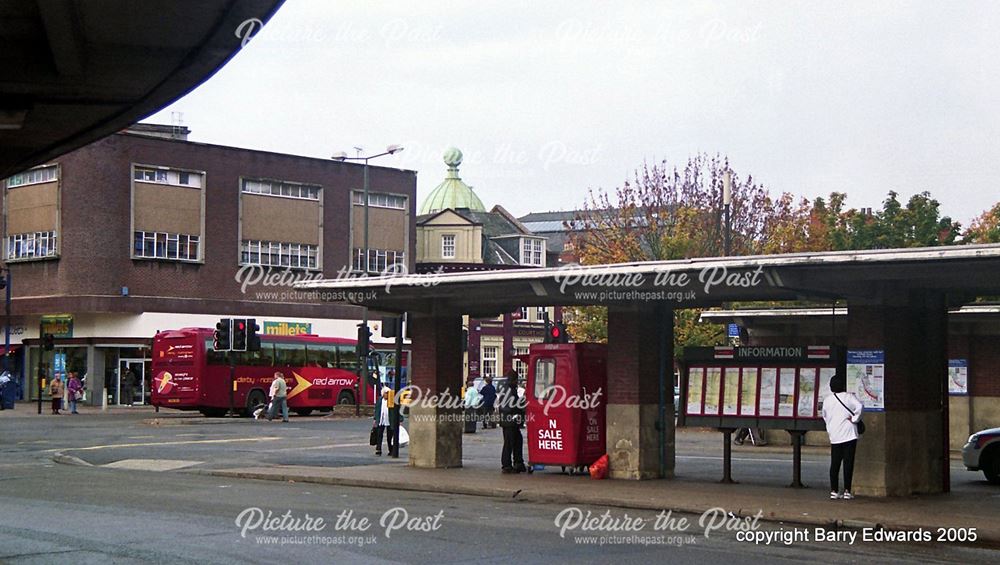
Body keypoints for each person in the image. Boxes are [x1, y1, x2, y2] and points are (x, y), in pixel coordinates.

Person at [822, 373, 863, 500]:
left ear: (831, 387)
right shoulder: (849, 397)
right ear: (843, 386)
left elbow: (824, 416)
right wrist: (855, 419)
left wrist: (830, 427)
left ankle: (834, 490)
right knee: (848, 462)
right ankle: (847, 491)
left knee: (835, 463)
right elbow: (860, 406)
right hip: (849, 434)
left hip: (835, 434)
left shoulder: (827, 400)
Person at [498, 375, 526, 473]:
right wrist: (521, 406)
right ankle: (507, 465)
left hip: (508, 420)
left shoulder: (508, 389)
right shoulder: (509, 390)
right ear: (512, 380)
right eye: (516, 380)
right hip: (510, 420)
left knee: (516, 440)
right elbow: (509, 406)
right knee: (509, 443)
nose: (517, 382)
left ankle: (518, 462)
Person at [373, 385, 394, 455]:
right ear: (383, 393)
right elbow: (377, 410)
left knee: (389, 436)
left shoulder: (391, 400)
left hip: (389, 420)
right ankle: (378, 449)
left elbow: (396, 410)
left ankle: (391, 450)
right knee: (379, 435)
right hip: (381, 420)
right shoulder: (380, 400)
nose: (387, 394)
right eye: (386, 393)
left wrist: (400, 420)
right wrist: (375, 419)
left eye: (388, 393)